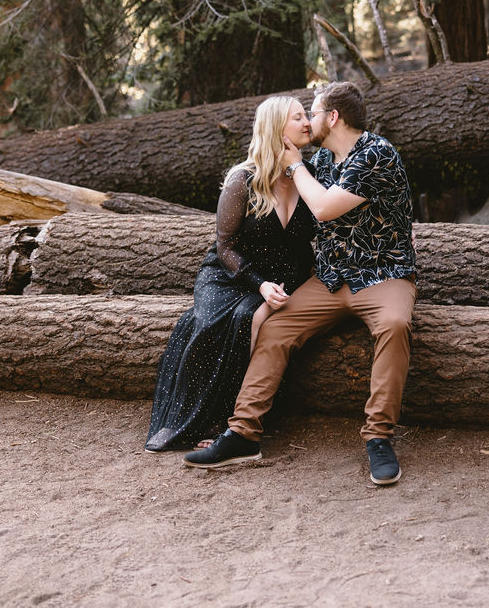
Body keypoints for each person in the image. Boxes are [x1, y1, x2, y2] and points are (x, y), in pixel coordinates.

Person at [183, 81, 417, 485]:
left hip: (383, 274)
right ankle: (242, 433)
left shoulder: (377, 154)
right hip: (328, 279)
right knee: (274, 326)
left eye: (313, 111)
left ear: (333, 117)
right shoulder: (324, 161)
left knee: (395, 326)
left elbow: (324, 208)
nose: (308, 120)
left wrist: (294, 166)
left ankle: (378, 437)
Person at [144, 96, 315, 452]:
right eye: (298, 117)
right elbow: (225, 246)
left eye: (306, 116)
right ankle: (214, 419)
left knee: (250, 317)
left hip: (283, 277)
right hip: (230, 274)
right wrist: (259, 284)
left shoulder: (307, 174)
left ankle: (237, 420)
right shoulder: (243, 179)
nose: (307, 123)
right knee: (219, 321)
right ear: (276, 128)